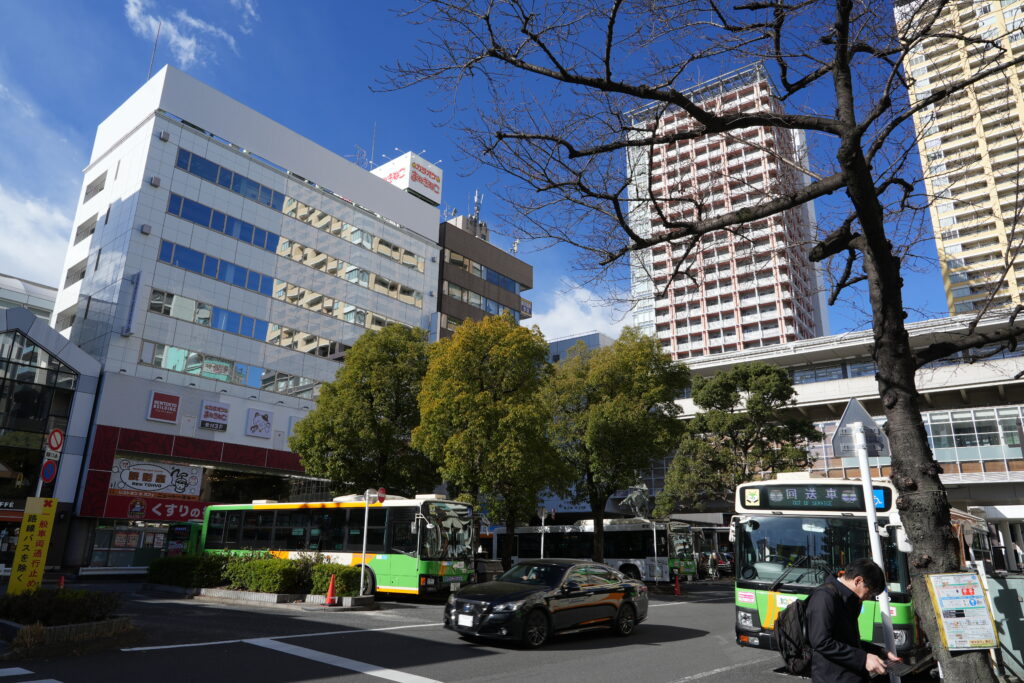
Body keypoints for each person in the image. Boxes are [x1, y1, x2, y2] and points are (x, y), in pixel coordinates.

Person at [806, 558, 901, 682]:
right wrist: (864, 659)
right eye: (870, 592)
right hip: (832, 678)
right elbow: (821, 642)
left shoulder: (850, 598)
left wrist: (880, 652)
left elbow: (849, 641)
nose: (868, 597)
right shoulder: (825, 596)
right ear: (858, 581)